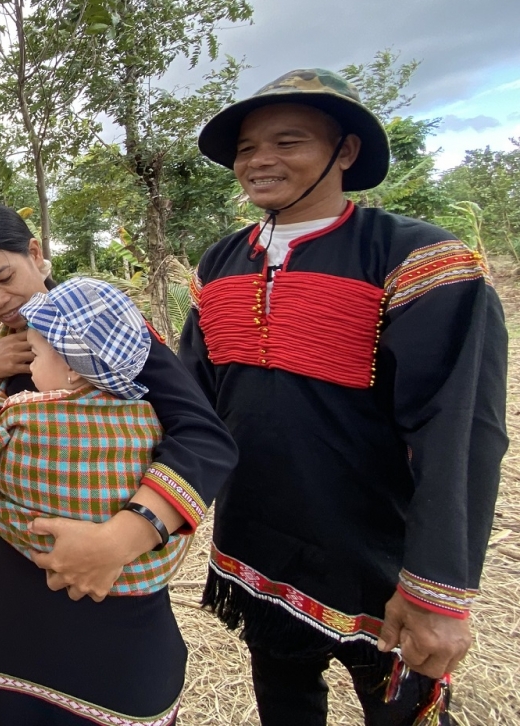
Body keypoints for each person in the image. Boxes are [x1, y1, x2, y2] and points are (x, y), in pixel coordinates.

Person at [180, 69, 509, 726]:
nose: (260, 161)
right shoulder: (220, 264)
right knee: (285, 703)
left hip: (378, 559)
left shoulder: (418, 262)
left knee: (401, 713)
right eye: (247, 148)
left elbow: (459, 428)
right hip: (258, 545)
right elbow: (191, 404)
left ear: (346, 151)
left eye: (288, 141)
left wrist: (438, 592)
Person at [0, 203, 238, 726]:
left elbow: (205, 437)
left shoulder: (102, 324)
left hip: (112, 612)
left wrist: (122, 537)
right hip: (6, 605)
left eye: (4, 278)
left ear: (36, 254)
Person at [0, 276, 197, 594]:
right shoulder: (145, 414)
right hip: (146, 572)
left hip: (65, 564)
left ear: (73, 367)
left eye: (35, 355)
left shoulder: (23, 413)